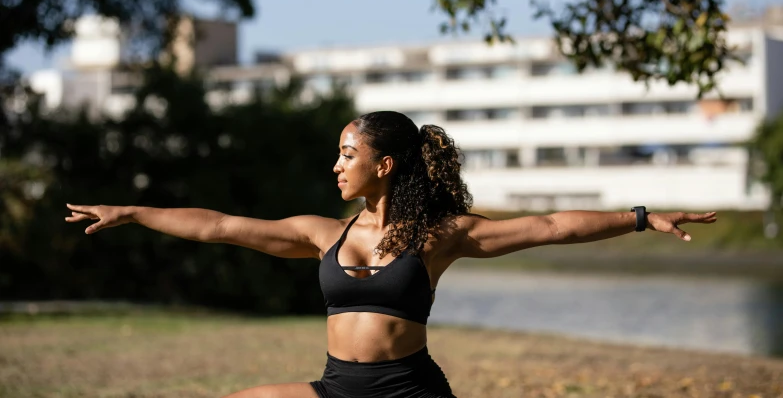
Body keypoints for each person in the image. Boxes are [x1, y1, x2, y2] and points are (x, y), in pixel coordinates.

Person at [65, 111, 717, 398]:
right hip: (336, 388)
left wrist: (638, 217)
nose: (335, 165)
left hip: (408, 394)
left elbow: (549, 225)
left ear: (385, 163)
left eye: (347, 154)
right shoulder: (323, 233)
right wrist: (132, 211)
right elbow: (219, 226)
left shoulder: (442, 234)